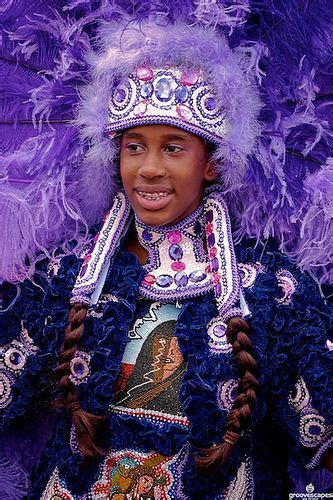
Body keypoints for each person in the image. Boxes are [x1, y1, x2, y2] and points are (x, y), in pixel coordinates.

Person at [1, 17, 332, 500]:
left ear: (213, 163)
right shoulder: (63, 280)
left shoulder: (272, 292)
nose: (149, 168)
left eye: (173, 148)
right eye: (135, 147)